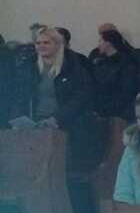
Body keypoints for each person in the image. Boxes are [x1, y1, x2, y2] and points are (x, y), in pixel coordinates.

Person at [12, 26, 101, 170]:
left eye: (46, 42)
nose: (41, 46)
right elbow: (20, 95)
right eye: (38, 43)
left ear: (58, 44)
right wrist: (18, 118)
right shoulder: (29, 66)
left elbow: (80, 98)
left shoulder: (74, 67)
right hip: (35, 124)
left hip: (67, 125)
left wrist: (56, 119)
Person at [91, 28, 140, 120]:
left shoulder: (127, 64)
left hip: (119, 115)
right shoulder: (100, 63)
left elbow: (126, 94)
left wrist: (104, 110)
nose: (98, 45)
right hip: (102, 111)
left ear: (108, 43)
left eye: (100, 41)